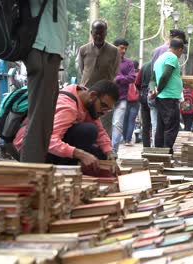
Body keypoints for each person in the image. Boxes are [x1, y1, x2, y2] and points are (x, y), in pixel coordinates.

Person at [13, 80, 119, 173]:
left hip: (49, 144)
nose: (104, 112)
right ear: (92, 95)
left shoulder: (86, 100)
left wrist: (109, 153)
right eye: (104, 106)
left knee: (101, 155)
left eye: (108, 109)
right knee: (88, 131)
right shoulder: (67, 107)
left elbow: (100, 132)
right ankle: (66, 173)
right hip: (31, 149)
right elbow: (50, 141)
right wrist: (81, 154)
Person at [20, 0, 67, 163]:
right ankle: (31, 169)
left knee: (44, 118)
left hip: (49, 49)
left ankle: (35, 167)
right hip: (42, 48)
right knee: (39, 118)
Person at [76, 20, 121, 137]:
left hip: (106, 95)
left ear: (106, 33)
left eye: (102, 33)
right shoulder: (83, 50)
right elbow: (82, 70)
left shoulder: (114, 51)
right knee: (84, 123)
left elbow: (115, 71)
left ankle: (105, 153)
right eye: (96, 33)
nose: (98, 36)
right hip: (87, 93)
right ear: (91, 32)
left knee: (105, 127)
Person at [149, 30, 188, 143]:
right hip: (169, 97)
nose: (181, 55)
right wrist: (158, 90)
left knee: (161, 127)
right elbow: (166, 75)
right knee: (172, 127)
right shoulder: (172, 57)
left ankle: (160, 153)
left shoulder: (159, 58)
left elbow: (153, 78)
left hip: (162, 98)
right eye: (181, 52)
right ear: (180, 49)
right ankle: (167, 152)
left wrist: (153, 90)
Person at [111, 39, 136, 155]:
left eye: (125, 48)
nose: (124, 50)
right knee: (104, 125)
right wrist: (122, 78)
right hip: (106, 97)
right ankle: (104, 151)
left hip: (122, 98)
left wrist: (118, 78)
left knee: (117, 124)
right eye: (121, 48)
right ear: (114, 47)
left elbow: (132, 78)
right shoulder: (108, 60)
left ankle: (113, 152)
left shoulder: (129, 63)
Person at [123, 61, 141, 146]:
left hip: (126, 99)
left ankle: (124, 138)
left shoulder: (127, 75)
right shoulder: (138, 75)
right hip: (136, 100)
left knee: (125, 120)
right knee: (131, 121)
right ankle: (128, 140)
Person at [136, 61, 153, 147]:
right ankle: (156, 147)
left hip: (144, 96)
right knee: (156, 123)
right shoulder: (162, 64)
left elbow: (137, 83)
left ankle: (146, 147)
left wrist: (142, 90)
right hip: (156, 97)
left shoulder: (145, 66)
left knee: (145, 124)